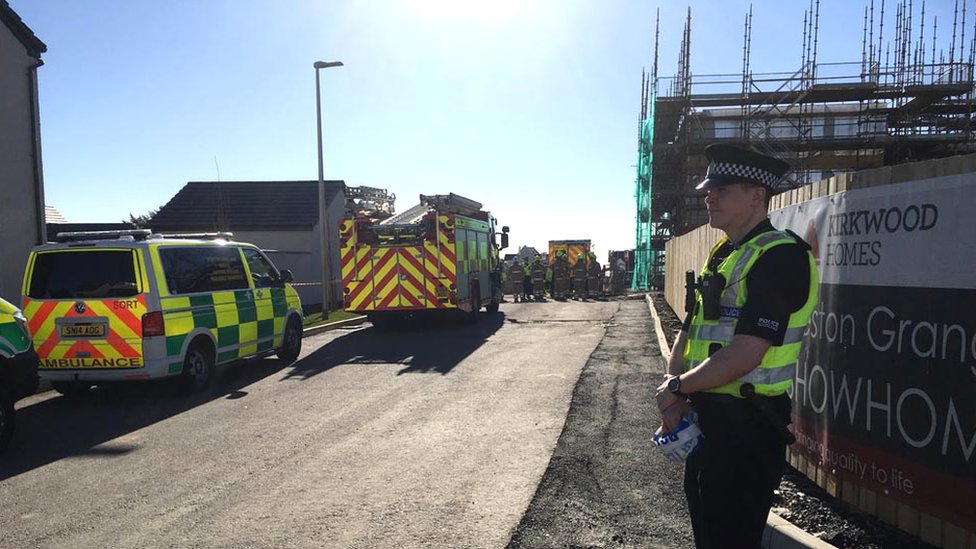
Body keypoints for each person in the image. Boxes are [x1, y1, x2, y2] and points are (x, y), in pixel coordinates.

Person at [654, 144, 819, 549]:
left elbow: (747, 352)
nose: (709, 197)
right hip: (708, 420)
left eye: (722, 190)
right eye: (709, 190)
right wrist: (676, 392)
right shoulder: (725, 253)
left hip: (747, 427)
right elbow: (690, 329)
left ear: (757, 195)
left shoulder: (782, 257)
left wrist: (676, 388)